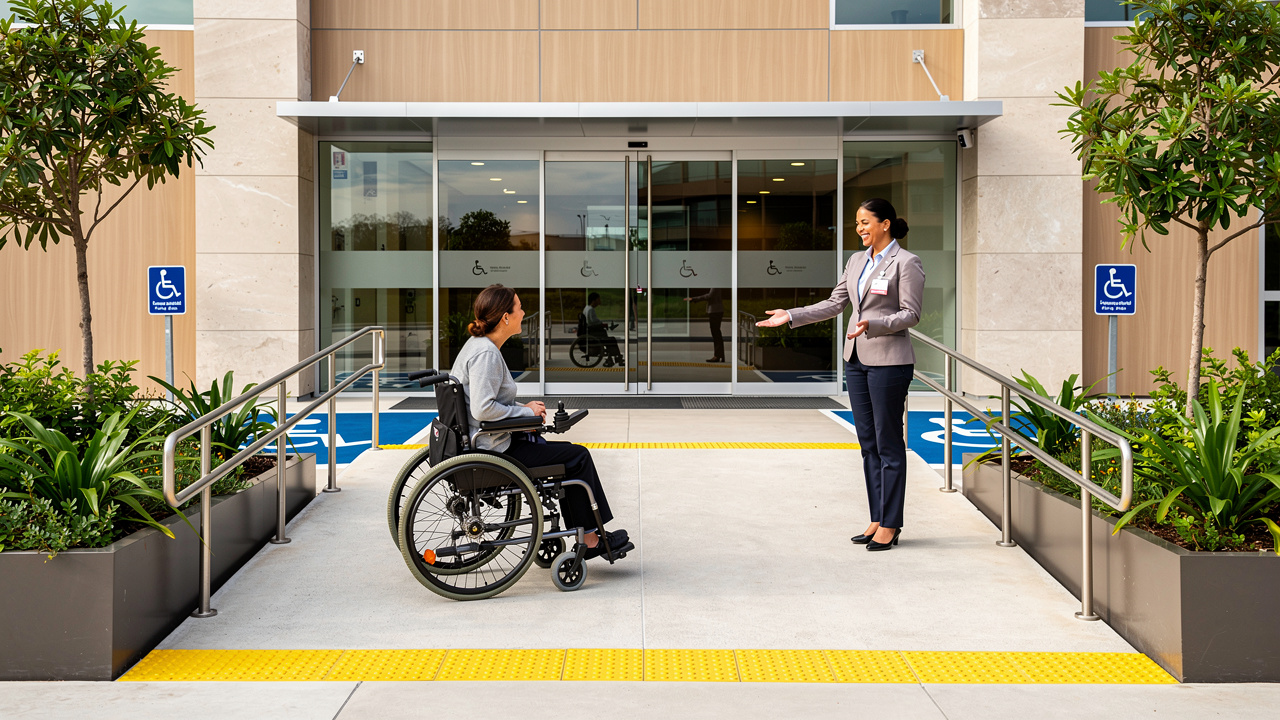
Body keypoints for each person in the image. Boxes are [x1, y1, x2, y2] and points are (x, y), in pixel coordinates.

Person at [756, 199, 924, 551]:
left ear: (886, 224)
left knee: (889, 443)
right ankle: (877, 517)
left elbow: (910, 314)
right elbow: (835, 304)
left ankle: (891, 524)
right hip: (857, 359)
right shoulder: (857, 260)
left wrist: (874, 324)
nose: (860, 228)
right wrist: (792, 315)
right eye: (858, 223)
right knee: (869, 444)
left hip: (890, 362)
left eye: (866, 222)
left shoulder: (907, 263)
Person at [453, 284, 631, 559]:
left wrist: (523, 408)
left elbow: (483, 403)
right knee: (578, 457)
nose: (524, 313)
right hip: (494, 450)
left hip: (491, 441)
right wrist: (527, 414)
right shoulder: (486, 353)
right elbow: (483, 408)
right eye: (520, 308)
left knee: (565, 452)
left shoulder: (479, 347)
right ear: (505, 318)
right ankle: (593, 539)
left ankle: (589, 534)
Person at [683, 288, 725, 362]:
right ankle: (720, 355)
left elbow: (709, 296)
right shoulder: (716, 284)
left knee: (716, 333)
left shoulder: (715, 285)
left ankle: (718, 355)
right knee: (716, 333)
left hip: (715, 311)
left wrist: (693, 299)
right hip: (716, 311)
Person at [581, 292, 623, 366]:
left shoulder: (587, 308)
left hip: (591, 330)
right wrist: (602, 324)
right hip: (594, 332)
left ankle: (613, 358)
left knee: (609, 340)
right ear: (594, 300)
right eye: (598, 299)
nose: (599, 301)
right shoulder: (590, 309)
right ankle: (617, 357)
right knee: (611, 340)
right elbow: (592, 321)